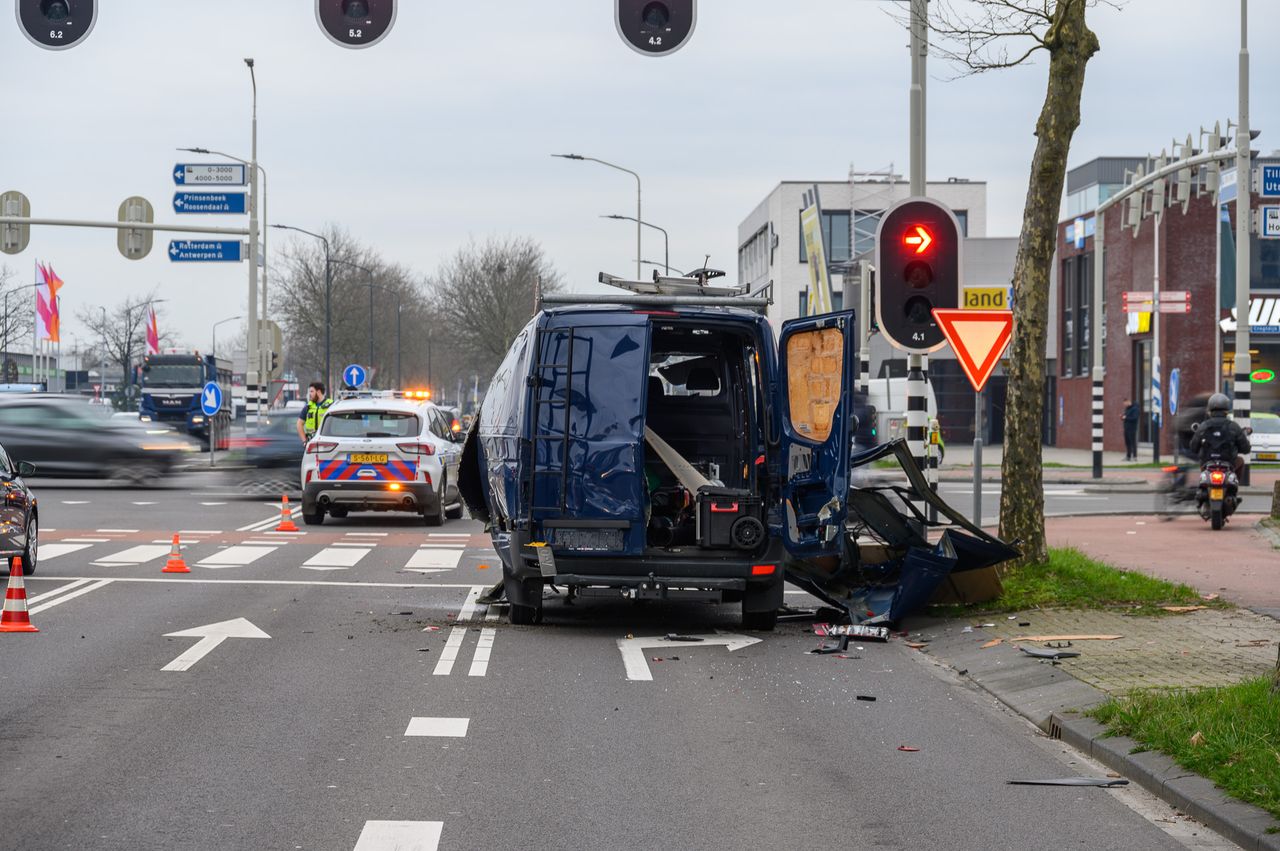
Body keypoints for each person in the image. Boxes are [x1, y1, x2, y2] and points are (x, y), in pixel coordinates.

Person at [1188, 393, 1251, 474]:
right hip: (1228, 462)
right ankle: (1235, 483)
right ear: (1227, 409)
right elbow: (1245, 448)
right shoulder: (1233, 426)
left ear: (1210, 408)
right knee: (1241, 461)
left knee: (1202, 463)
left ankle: (1204, 479)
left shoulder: (1203, 426)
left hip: (1208, 462)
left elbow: (1193, 447)